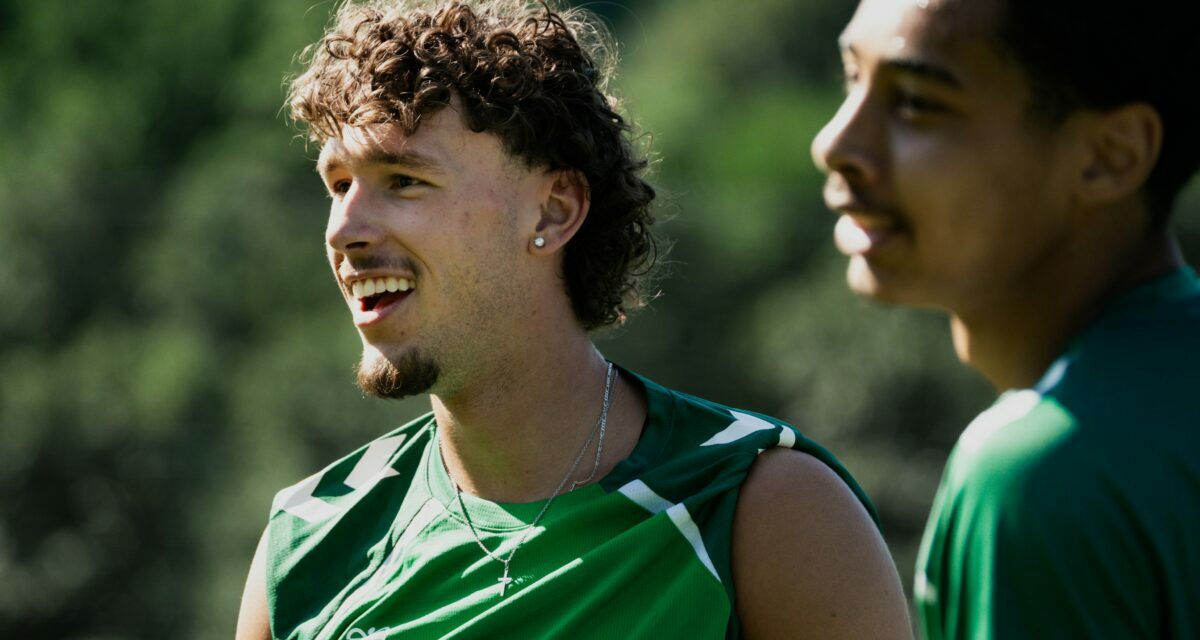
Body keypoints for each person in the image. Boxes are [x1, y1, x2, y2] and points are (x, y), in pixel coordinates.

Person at [236, 1, 911, 638]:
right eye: (339, 185)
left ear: (554, 210)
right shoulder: (308, 544)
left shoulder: (759, 506)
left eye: (404, 180)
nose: (345, 229)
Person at [812, 0, 1200, 637]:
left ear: (1110, 155)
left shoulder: (1042, 476)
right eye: (852, 78)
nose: (835, 145)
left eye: (916, 102)